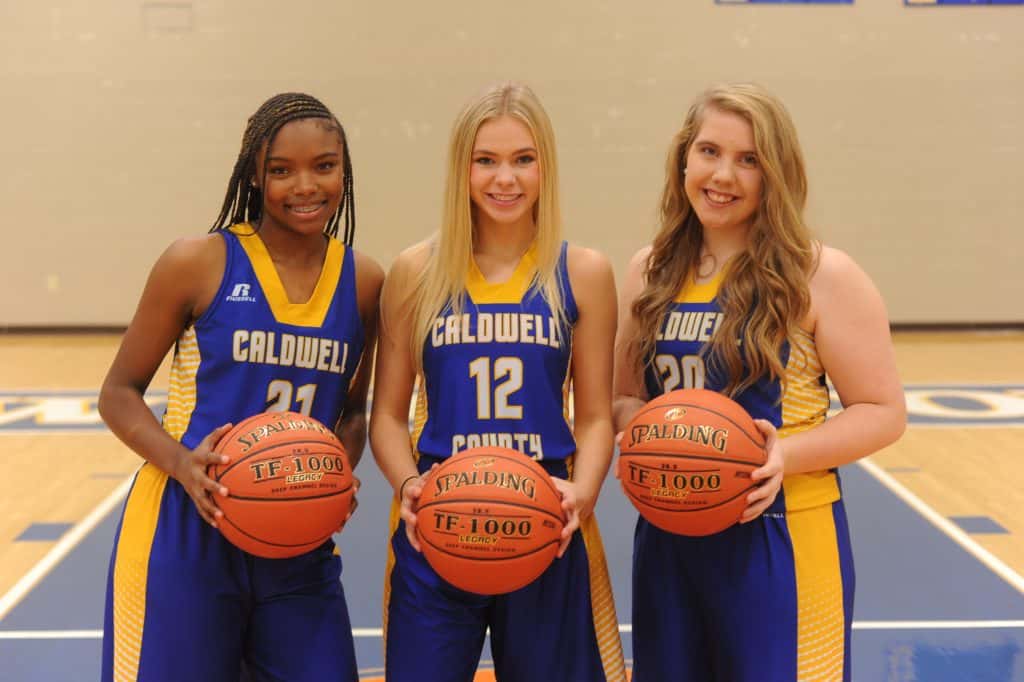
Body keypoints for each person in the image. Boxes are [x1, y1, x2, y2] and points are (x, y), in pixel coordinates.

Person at [612, 83, 906, 682]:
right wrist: (648, 439)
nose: (724, 175)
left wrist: (782, 455)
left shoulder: (820, 274)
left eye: (749, 159)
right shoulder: (649, 270)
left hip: (785, 535)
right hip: (671, 534)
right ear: (683, 158)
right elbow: (625, 397)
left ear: (776, 172)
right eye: (709, 152)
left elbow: (882, 411)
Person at [97, 92, 383, 682]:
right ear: (254, 175)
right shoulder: (197, 262)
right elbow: (118, 392)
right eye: (281, 170)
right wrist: (182, 464)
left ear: (345, 171)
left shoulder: (363, 281)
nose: (305, 186)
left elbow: (353, 412)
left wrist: (335, 470)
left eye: (324, 166)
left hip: (297, 541)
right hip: (185, 531)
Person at [369, 81, 627, 682]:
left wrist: (583, 492)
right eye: (485, 160)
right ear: (461, 170)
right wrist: (408, 485)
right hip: (437, 524)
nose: (504, 178)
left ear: (546, 167)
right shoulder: (417, 271)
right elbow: (387, 416)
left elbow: (594, 416)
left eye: (523, 159)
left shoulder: (583, 272)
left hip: (546, 521)